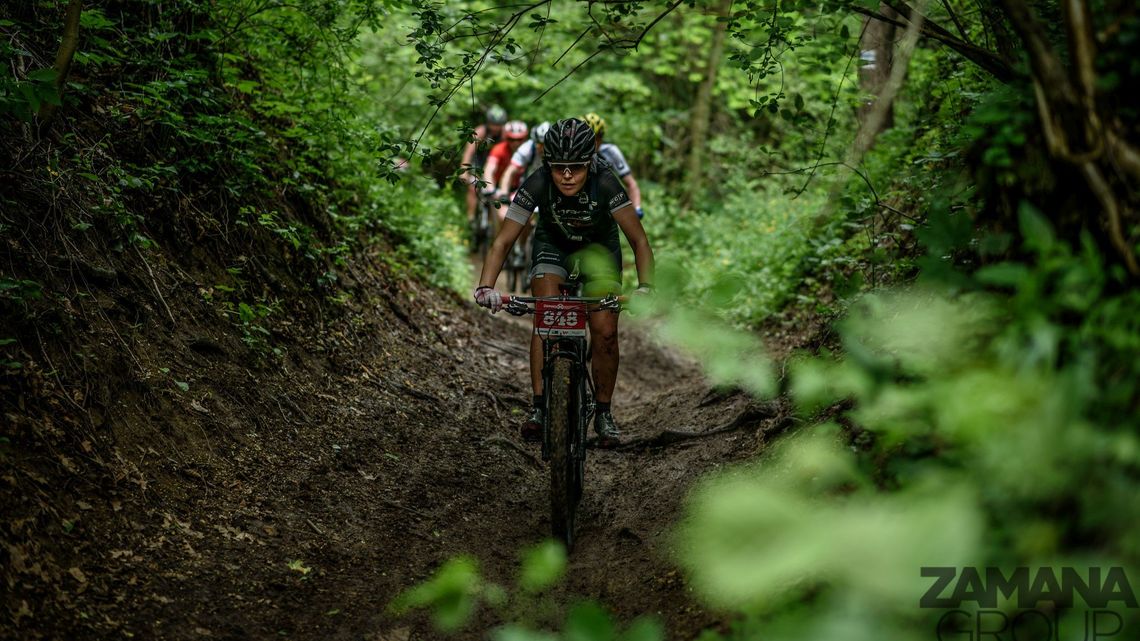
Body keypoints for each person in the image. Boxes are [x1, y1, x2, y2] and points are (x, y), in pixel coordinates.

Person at [473, 118, 655, 447]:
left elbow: (639, 242)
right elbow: (503, 242)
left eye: (575, 167)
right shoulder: (537, 182)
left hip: (600, 253)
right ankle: (540, 407)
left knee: (605, 330)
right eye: (559, 168)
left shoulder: (607, 183)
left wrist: (645, 287)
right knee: (546, 316)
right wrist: (486, 286)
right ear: (548, 166)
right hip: (553, 248)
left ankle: (603, 412)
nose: (567, 176)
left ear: (590, 163)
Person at [583, 112, 644, 219]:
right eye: (588, 138)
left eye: (597, 138)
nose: (594, 143)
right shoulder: (572, 152)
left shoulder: (610, 151)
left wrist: (637, 208)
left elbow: (631, 184)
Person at [459, 105, 508, 227]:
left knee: (495, 194)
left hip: (495, 165)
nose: (496, 127)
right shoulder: (480, 131)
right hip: (478, 163)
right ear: (488, 122)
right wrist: (464, 171)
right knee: (473, 186)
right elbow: (468, 152)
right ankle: (471, 218)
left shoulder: (505, 135)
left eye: (499, 124)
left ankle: (492, 224)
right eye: (493, 124)